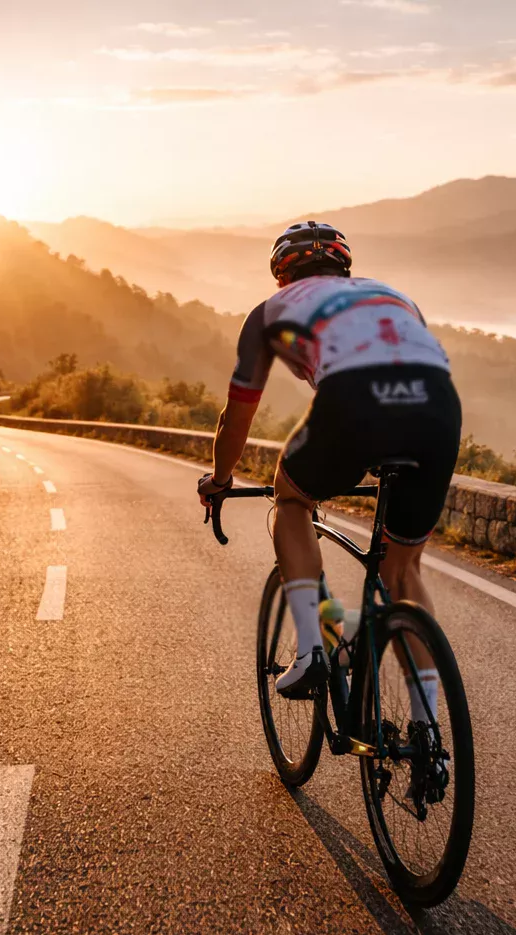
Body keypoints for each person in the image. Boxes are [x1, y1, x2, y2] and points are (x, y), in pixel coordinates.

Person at [197, 221, 461, 720]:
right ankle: (428, 730)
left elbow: (238, 416)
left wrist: (221, 479)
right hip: (440, 409)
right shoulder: (394, 297)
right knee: (402, 571)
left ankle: (312, 651)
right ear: (344, 266)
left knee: (291, 498)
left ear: (281, 276)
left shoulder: (269, 312)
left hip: (355, 401)